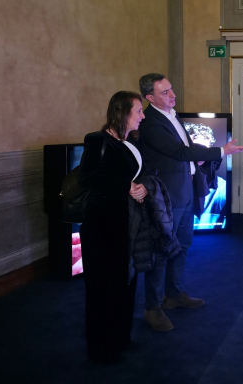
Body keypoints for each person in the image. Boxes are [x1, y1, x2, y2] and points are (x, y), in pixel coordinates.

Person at [138, 73, 243, 331]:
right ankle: (152, 307)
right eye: (165, 92)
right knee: (161, 251)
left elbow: (185, 150)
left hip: (184, 191)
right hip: (166, 196)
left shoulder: (172, 115)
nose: (173, 95)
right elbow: (180, 152)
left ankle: (173, 295)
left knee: (182, 246)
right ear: (150, 97)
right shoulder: (150, 123)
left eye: (171, 89)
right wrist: (221, 150)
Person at [77, 91, 147, 362]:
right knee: (101, 286)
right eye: (138, 111)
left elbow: (138, 176)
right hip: (102, 223)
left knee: (124, 281)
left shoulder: (130, 142)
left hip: (125, 222)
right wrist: (126, 186)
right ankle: (99, 348)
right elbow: (86, 179)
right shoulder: (97, 140)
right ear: (123, 112)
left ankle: (120, 338)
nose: (142, 116)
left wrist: (141, 188)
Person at [183, 122, 227, 226]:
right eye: (196, 149)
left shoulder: (221, 189)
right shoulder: (172, 182)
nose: (199, 156)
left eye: (204, 151)